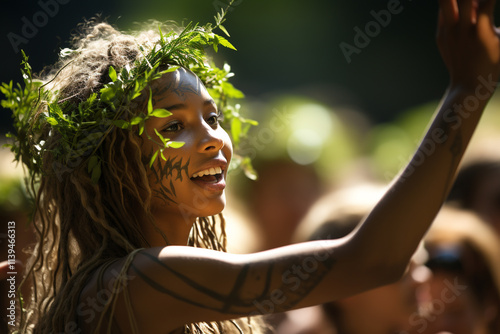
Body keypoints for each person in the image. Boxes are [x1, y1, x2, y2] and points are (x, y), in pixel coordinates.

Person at [2, 0, 500, 333]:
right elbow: (368, 261)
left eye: (212, 118)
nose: (214, 141)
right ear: (111, 162)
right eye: (174, 127)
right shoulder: (136, 280)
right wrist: (465, 89)